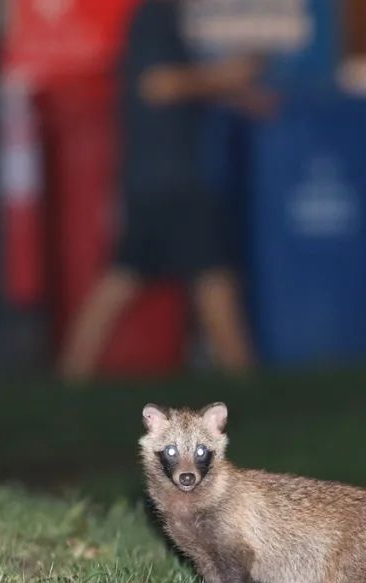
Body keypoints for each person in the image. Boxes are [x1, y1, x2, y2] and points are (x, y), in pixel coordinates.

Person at [57, 0, 275, 380]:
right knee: (212, 276)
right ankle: (244, 377)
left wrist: (236, 95)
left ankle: (71, 375)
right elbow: (159, 85)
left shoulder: (161, 17)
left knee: (126, 277)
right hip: (171, 176)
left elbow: (174, 84)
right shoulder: (155, 16)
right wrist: (227, 77)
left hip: (154, 175)